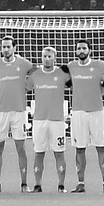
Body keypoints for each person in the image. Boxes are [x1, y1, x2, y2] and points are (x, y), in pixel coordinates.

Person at [0, 35, 33, 191]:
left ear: (14, 48)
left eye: (8, 46)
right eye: (3, 47)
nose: (5, 50)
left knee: (21, 148)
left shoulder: (24, 64)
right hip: (0, 112)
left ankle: (24, 184)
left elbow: (36, 75)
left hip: (19, 111)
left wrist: (26, 87)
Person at [66, 41, 104, 193]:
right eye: (78, 48)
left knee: (101, 147)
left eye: (84, 48)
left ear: (90, 50)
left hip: (97, 112)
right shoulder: (71, 66)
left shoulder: (101, 66)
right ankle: (81, 183)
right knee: (79, 149)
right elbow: (60, 78)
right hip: (78, 113)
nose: (81, 50)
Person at [27, 44, 71, 192]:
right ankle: (38, 185)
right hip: (39, 120)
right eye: (44, 56)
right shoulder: (35, 74)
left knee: (59, 152)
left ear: (55, 58)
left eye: (49, 56)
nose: (46, 59)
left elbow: (74, 82)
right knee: (39, 152)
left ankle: (61, 185)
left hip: (57, 120)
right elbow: (26, 87)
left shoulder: (62, 74)